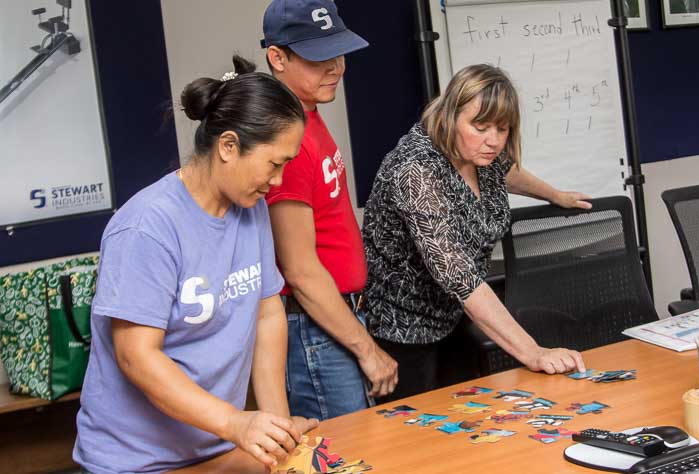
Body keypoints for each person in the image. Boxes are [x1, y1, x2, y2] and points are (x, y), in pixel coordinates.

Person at [73, 56, 317, 473]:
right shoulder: (146, 228)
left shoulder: (250, 205)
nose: (277, 180)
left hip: (216, 449)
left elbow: (266, 314)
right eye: (274, 163)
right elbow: (136, 356)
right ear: (228, 146)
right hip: (136, 462)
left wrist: (277, 426)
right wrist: (234, 422)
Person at [362, 64, 589, 401]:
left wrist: (553, 194)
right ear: (452, 116)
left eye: (503, 128)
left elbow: (506, 171)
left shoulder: (482, 153)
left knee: (474, 422)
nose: (493, 141)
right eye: (480, 127)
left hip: (454, 320)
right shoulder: (415, 171)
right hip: (404, 331)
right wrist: (533, 352)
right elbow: (460, 277)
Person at [260, 0, 398, 420]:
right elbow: (299, 270)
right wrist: (367, 349)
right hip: (313, 325)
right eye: (319, 57)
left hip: (337, 314)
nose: (336, 67)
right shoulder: (288, 142)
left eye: (337, 52)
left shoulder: (310, 115)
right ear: (277, 58)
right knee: (343, 452)